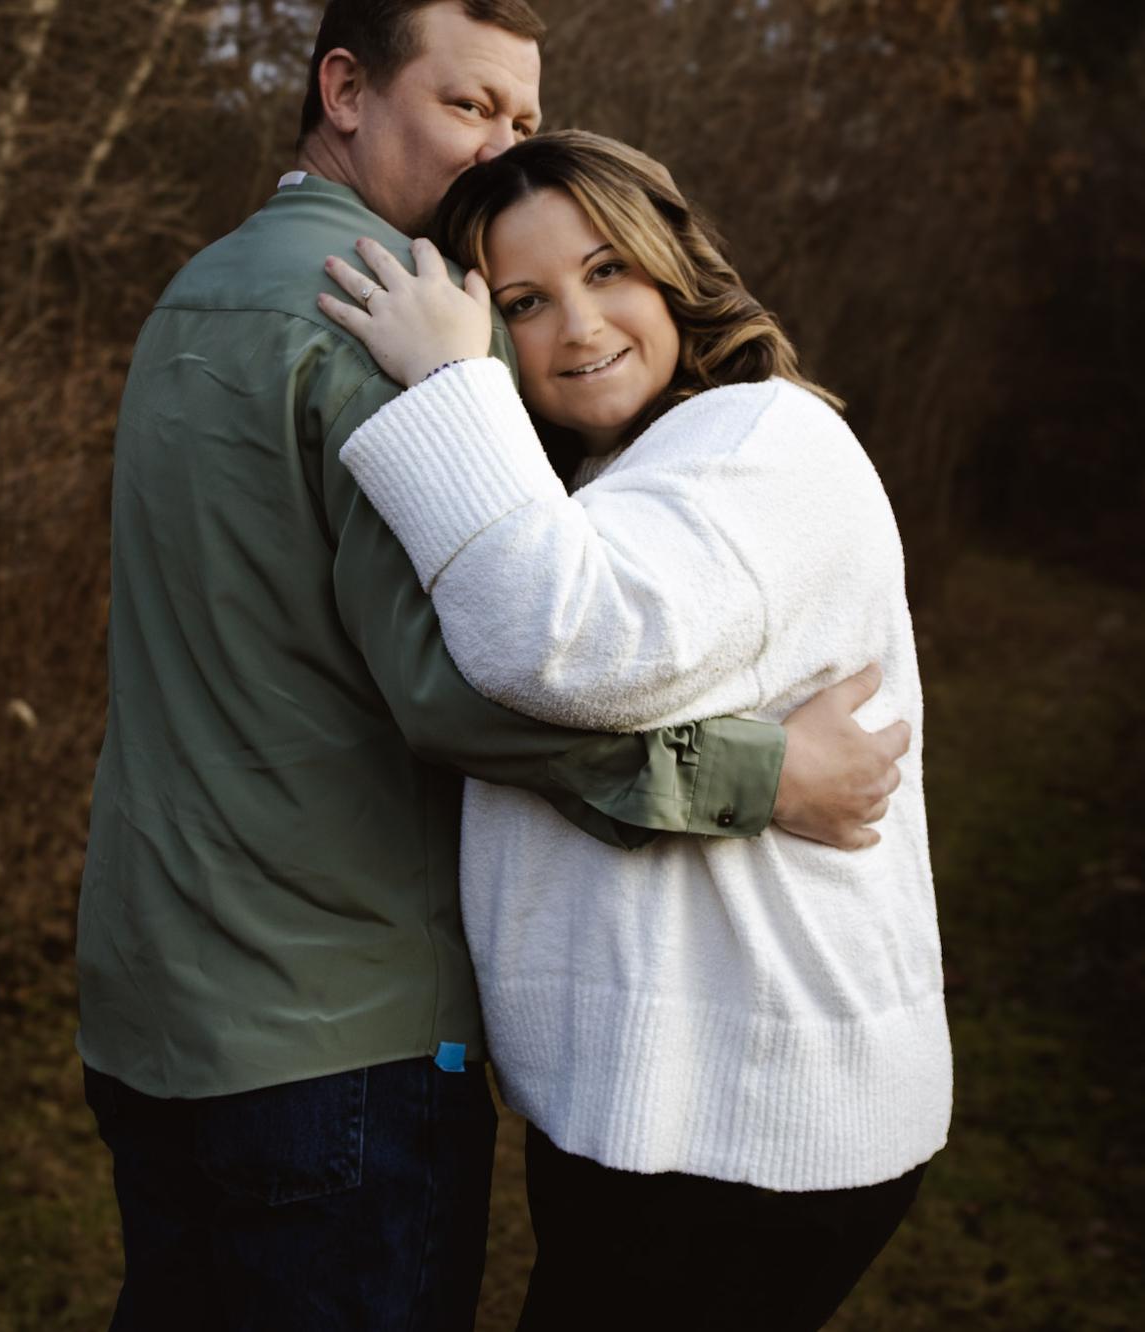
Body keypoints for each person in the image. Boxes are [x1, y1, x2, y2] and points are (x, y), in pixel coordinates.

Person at [76, 4, 911, 1328]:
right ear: (344, 88)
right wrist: (761, 776)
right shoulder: (382, 320)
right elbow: (477, 685)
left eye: (524, 117)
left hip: (150, 993)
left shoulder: (199, 292)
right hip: (336, 1015)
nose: (500, 148)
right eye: (468, 105)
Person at [319, 128, 952, 1330]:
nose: (578, 325)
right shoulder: (624, 473)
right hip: (669, 1110)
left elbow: (566, 643)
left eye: (607, 269)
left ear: (676, 270)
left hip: (750, 1118)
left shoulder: (761, 438)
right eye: (523, 302)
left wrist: (447, 384)